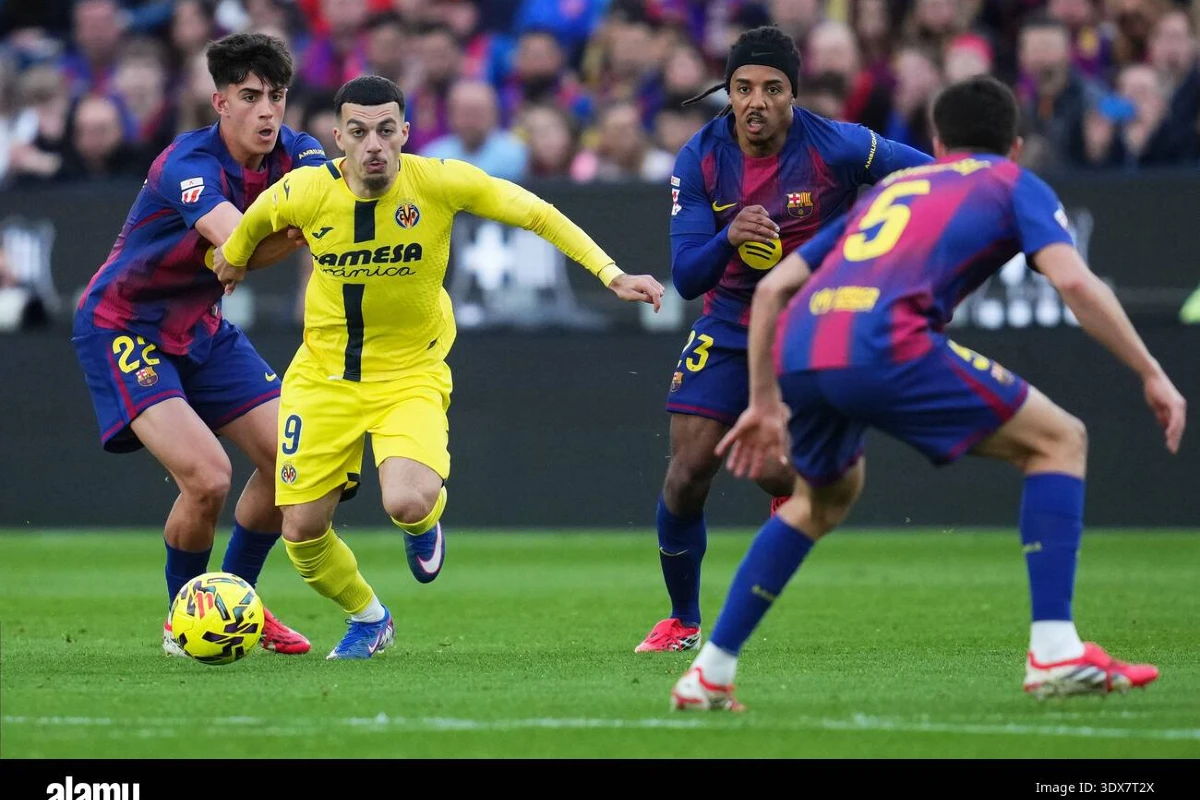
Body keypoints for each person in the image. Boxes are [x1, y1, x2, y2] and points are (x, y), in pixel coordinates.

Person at [669, 75, 1185, 710]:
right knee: (1060, 440)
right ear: (1014, 146)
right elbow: (1075, 284)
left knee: (822, 499)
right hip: (888, 342)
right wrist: (1152, 372)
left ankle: (710, 673)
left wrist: (763, 400)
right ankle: (1054, 651)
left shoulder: (899, 186)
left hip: (805, 344)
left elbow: (775, 290)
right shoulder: (1012, 183)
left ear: (938, 142)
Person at [212, 75, 665, 659]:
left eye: (384, 130)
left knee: (407, 501)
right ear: (337, 138)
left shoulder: (440, 182)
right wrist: (229, 262)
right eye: (358, 132)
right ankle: (369, 618)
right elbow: (249, 226)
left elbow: (535, 212)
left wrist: (611, 274)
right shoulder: (303, 189)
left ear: (405, 132)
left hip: (410, 375)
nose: (373, 144)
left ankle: (424, 525)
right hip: (322, 379)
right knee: (299, 530)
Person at [637, 25, 932, 653]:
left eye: (772, 89)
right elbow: (688, 277)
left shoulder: (841, 146)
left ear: (793, 96)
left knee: (775, 473)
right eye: (743, 88)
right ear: (728, 92)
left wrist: (882, 248)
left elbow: (931, 180)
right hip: (728, 323)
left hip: (806, 327)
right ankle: (682, 621)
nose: (756, 102)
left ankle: (794, 493)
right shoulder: (701, 158)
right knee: (687, 472)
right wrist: (729, 237)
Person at [71, 33, 328, 657]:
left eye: (276, 96)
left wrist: (259, 247)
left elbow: (327, 217)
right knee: (208, 478)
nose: (267, 111)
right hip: (124, 325)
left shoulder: (303, 152)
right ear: (220, 102)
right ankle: (180, 621)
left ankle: (235, 605)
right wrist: (289, 235)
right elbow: (235, 244)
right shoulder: (185, 163)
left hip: (201, 327)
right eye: (250, 97)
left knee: (292, 465)